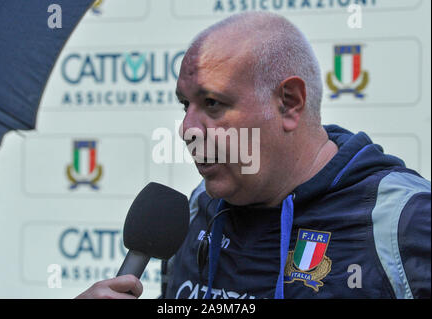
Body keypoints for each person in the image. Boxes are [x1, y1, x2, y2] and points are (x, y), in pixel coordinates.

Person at [76, 12, 431, 299]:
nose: (186, 129)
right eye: (186, 105)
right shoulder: (197, 211)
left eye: (213, 103)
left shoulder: (404, 222)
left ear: (289, 102)